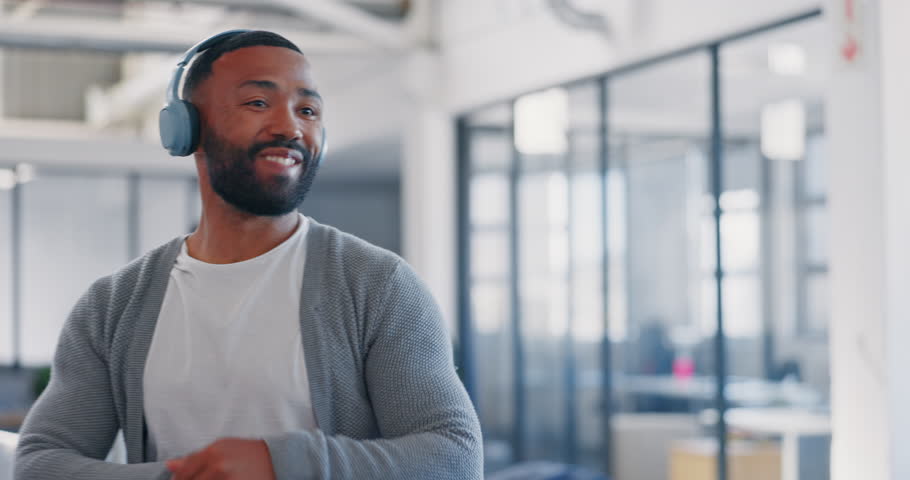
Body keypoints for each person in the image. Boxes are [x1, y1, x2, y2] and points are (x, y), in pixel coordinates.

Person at [14, 30, 482, 480]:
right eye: (258, 102)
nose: (289, 127)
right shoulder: (113, 306)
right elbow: (40, 461)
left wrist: (282, 465)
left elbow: (454, 457)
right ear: (187, 128)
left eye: (308, 109)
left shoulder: (377, 285)